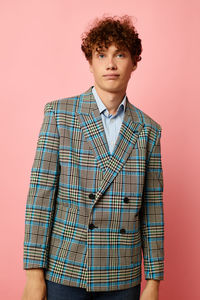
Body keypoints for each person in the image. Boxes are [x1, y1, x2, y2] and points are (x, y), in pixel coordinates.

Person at [22, 15, 164, 300]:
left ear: (134, 62)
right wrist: (33, 275)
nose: (110, 64)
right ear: (90, 62)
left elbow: (152, 209)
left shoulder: (149, 129)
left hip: (123, 274)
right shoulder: (60, 115)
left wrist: (154, 280)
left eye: (120, 54)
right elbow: (40, 197)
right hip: (67, 268)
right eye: (101, 55)